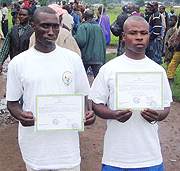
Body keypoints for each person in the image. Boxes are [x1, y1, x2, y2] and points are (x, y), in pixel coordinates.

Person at [6, 6, 95, 171]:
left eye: (55, 26)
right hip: (35, 148)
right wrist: (21, 115)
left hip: (67, 150)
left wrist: (88, 113)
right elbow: (12, 103)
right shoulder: (18, 63)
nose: (51, 31)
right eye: (45, 26)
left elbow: (83, 95)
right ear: (33, 27)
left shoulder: (73, 59)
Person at [89, 16, 172, 171]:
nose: (139, 37)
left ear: (149, 36)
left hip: (150, 157)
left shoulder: (158, 71)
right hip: (116, 158)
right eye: (133, 33)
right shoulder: (109, 69)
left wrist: (158, 115)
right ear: (123, 37)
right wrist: (113, 114)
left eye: (144, 33)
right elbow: (96, 103)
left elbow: (166, 107)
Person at [0, 7, 33, 74]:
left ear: (29, 17)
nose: (21, 17)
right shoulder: (13, 29)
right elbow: (6, 47)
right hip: (14, 64)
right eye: (20, 14)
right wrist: (0, 62)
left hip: (27, 66)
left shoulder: (32, 32)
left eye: (24, 15)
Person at [75, 10, 106, 78]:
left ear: (84, 17)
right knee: (98, 80)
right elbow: (103, 43)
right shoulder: (98, 28)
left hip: (85, 57)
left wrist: (75, 39)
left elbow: (80, 41)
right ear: (93, 17)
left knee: (81, 79)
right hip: (98, 58)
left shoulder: (83, 27)